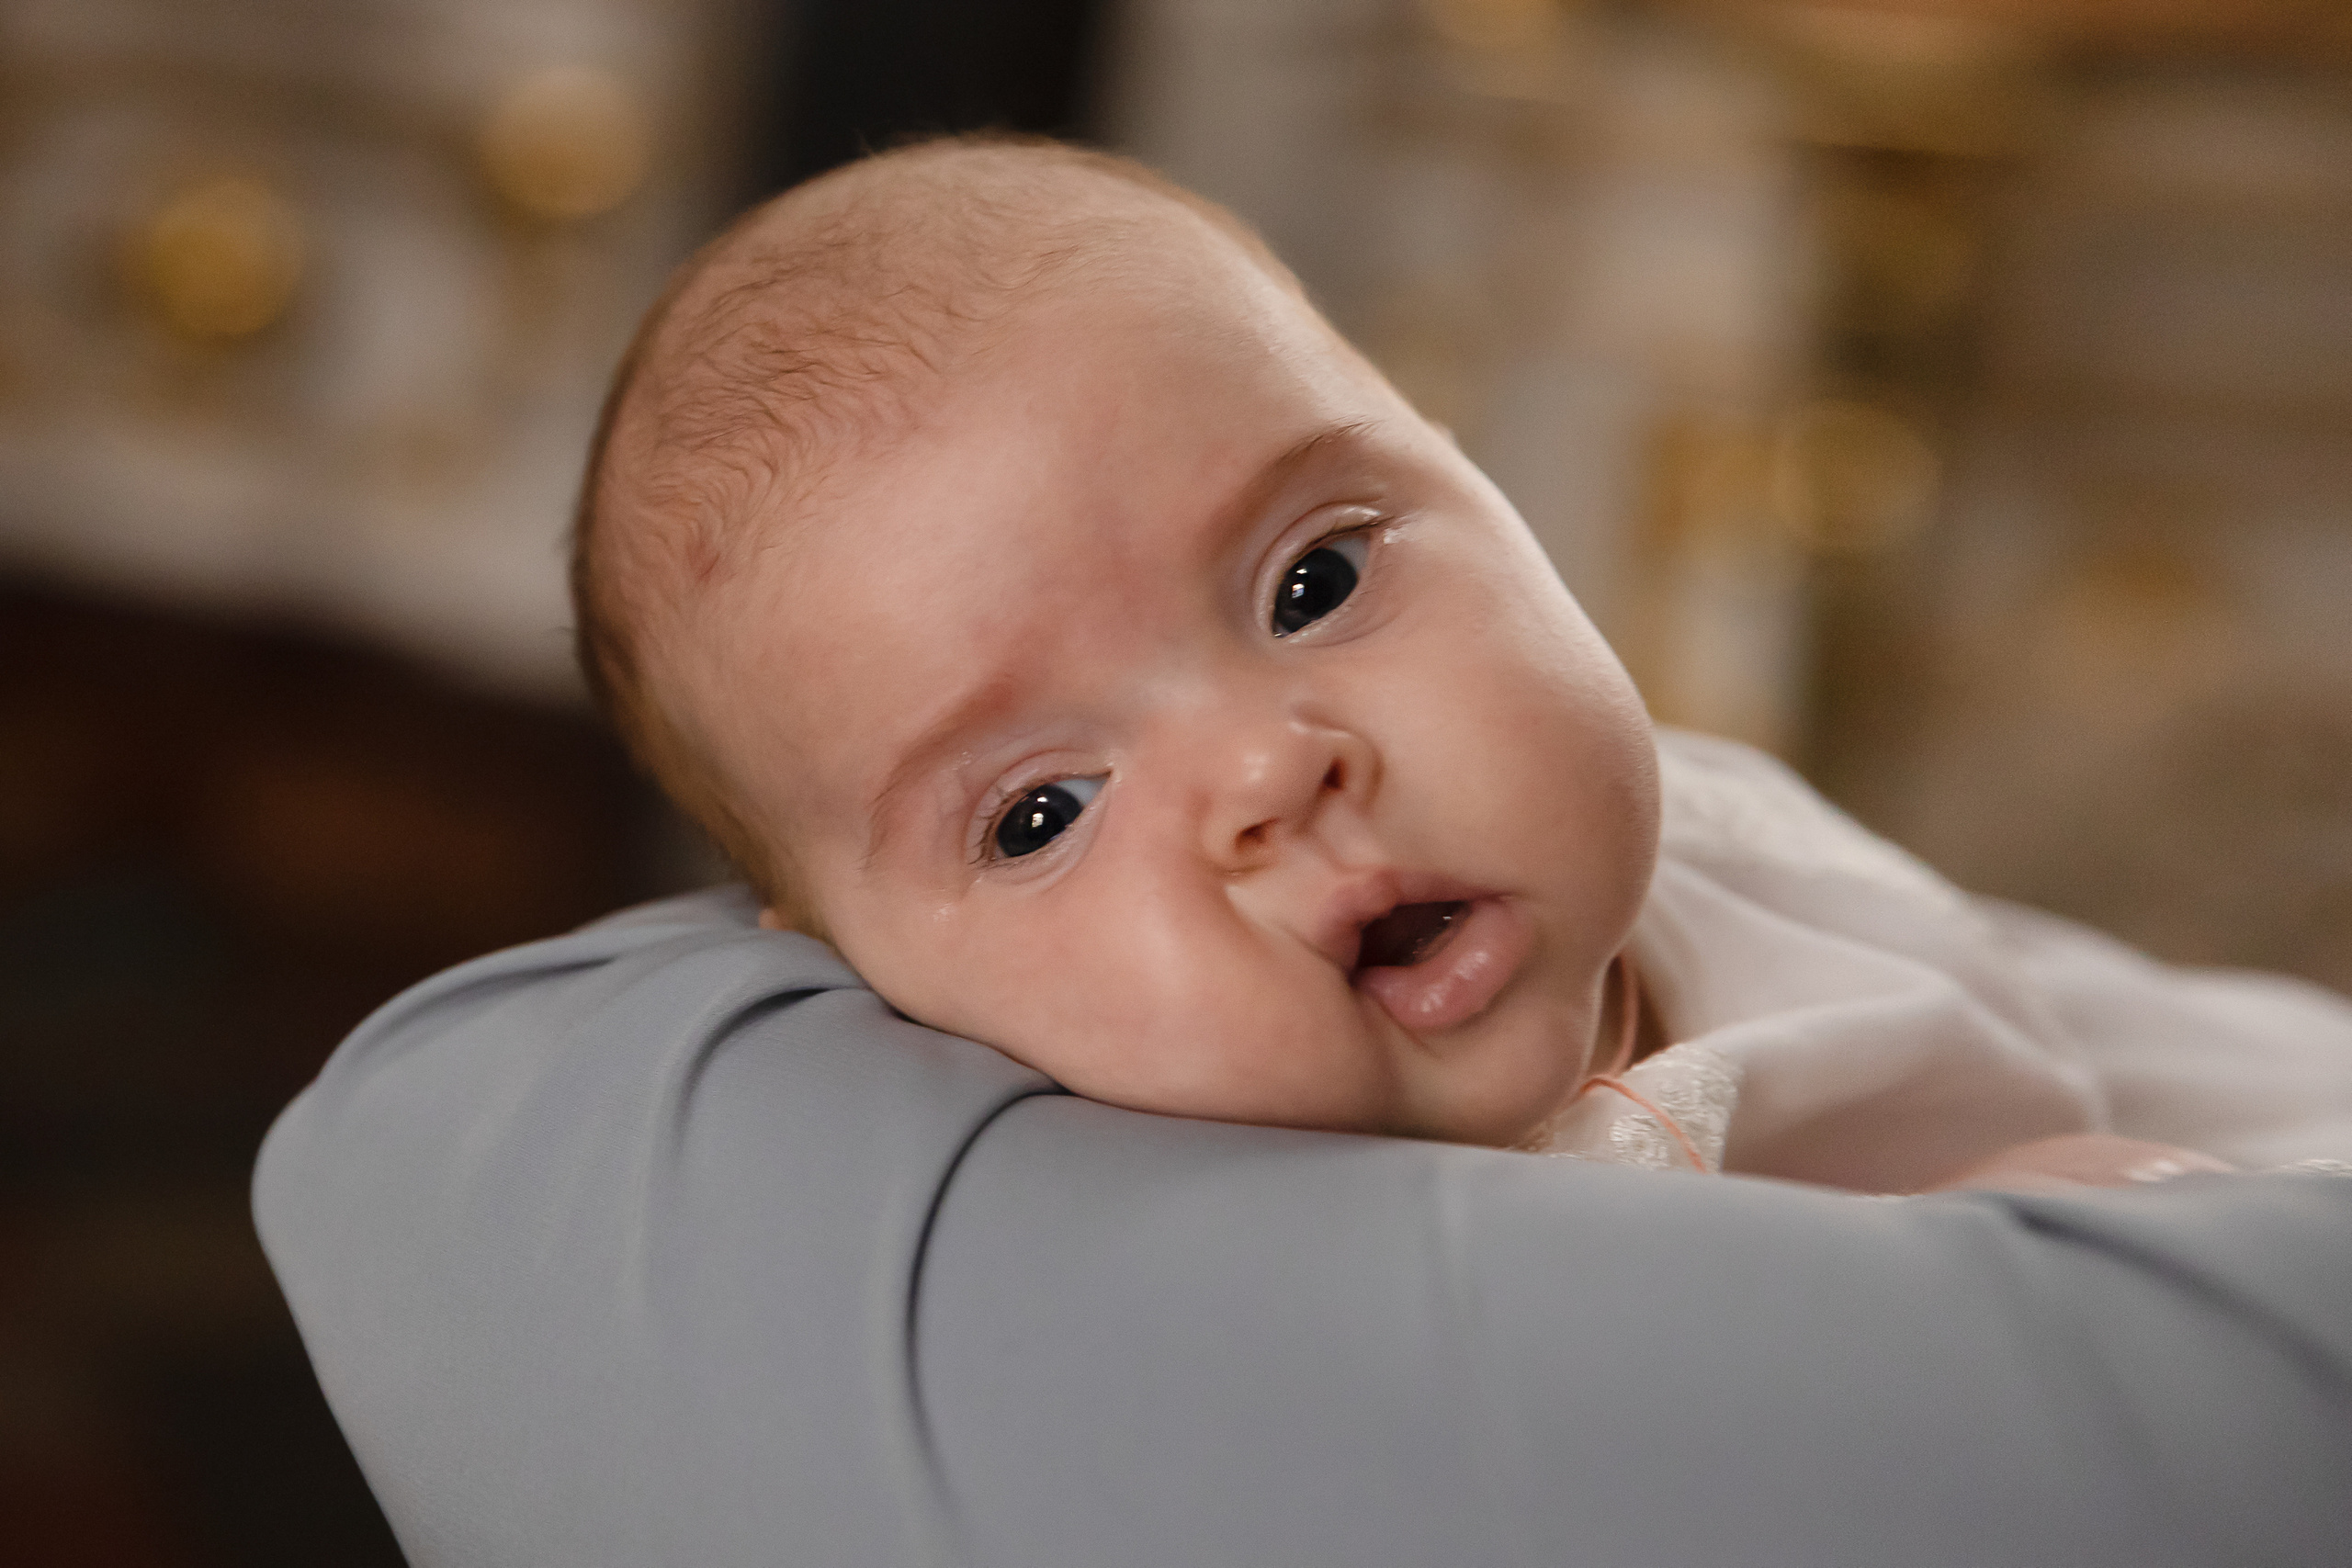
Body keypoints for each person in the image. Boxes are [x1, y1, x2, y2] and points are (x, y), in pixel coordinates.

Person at [566, 136, 2350, 1190]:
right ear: (877, 986)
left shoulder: (1722, 840)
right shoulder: (1221, 1262)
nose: (1272, 774)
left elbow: (2164, 1041)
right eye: (1040, 811)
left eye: (1312, 578)